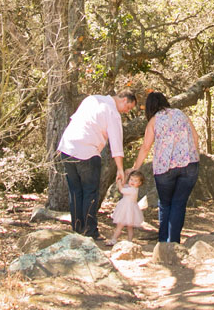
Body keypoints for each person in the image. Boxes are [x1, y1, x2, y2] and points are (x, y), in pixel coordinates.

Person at [57, 89, 138, 240]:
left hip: (67, 147)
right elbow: (116, 144)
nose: (126, 112)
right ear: (124, 100)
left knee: (75, 191)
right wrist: (120, 169)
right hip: (87, 150)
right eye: (128, 108)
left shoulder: (92, 99)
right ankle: (90, 231)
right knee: (90, 191)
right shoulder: (112, 112)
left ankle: (77, 228)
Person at [128, 91, 200, 243]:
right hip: (189, 165)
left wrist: (135, 168)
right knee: (179, 204)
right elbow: (195, 137)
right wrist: (194, 156)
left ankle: (163, 243)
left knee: (166, 204)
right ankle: (173, 242)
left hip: (165, 168)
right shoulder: (181, 114)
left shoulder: (154, 121)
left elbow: (146, 147)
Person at [109, 170, 146, 244]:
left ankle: (115, 239)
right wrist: (125, 176)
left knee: (122, 225)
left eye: (135, 181)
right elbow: (124, 185)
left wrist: (119, 182)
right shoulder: (130, 187)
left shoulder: (133, 190)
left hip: (128, 210)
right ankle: (128, 240)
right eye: (131, 179)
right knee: (128, 226)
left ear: (139, 183)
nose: (132, 182)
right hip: (126, 208)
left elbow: (122, 190)